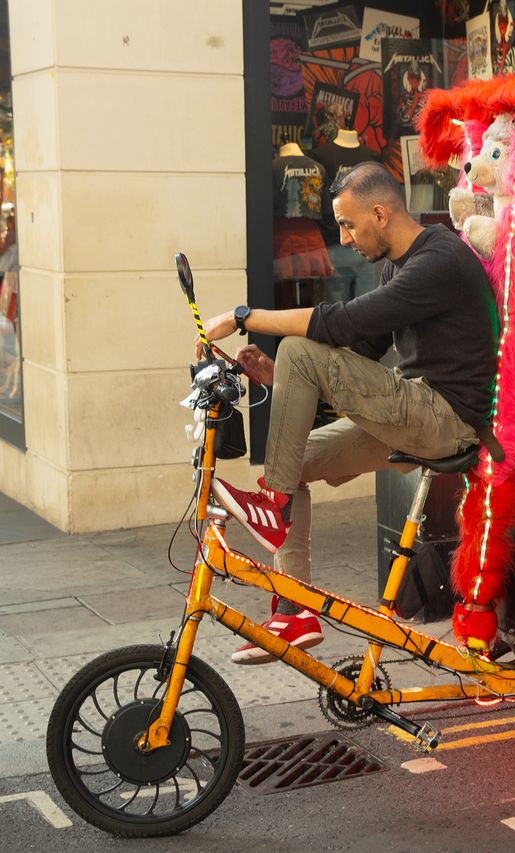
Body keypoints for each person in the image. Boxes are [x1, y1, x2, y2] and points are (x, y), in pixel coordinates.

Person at [199, 162, 498, 664]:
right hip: (410, 408)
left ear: (379, 213)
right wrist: (282, 378)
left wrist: (245, 317)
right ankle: (294, 610)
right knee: (292, 462)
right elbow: (360, 353)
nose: (343, 237)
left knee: (301, 347)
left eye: (348, 224)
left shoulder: (439, 259)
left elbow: (342, 323)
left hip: (449, 420)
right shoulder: (392, 264)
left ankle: (270, 505)